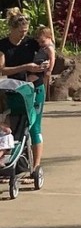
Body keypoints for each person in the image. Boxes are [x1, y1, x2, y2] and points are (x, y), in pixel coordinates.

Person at [0, 9, 49, 169]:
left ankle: (36, 167)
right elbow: (3, 70)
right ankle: (14, 164)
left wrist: (44, 64)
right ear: (12, 29)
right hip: (15, 90)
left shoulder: (31, 43)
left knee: (34, 127)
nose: (23, 35)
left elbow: (48, 46)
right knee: (14, 126)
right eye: (20, 31)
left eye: (25, 32)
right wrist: (26, 66)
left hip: (35, 88)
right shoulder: (3, 45)